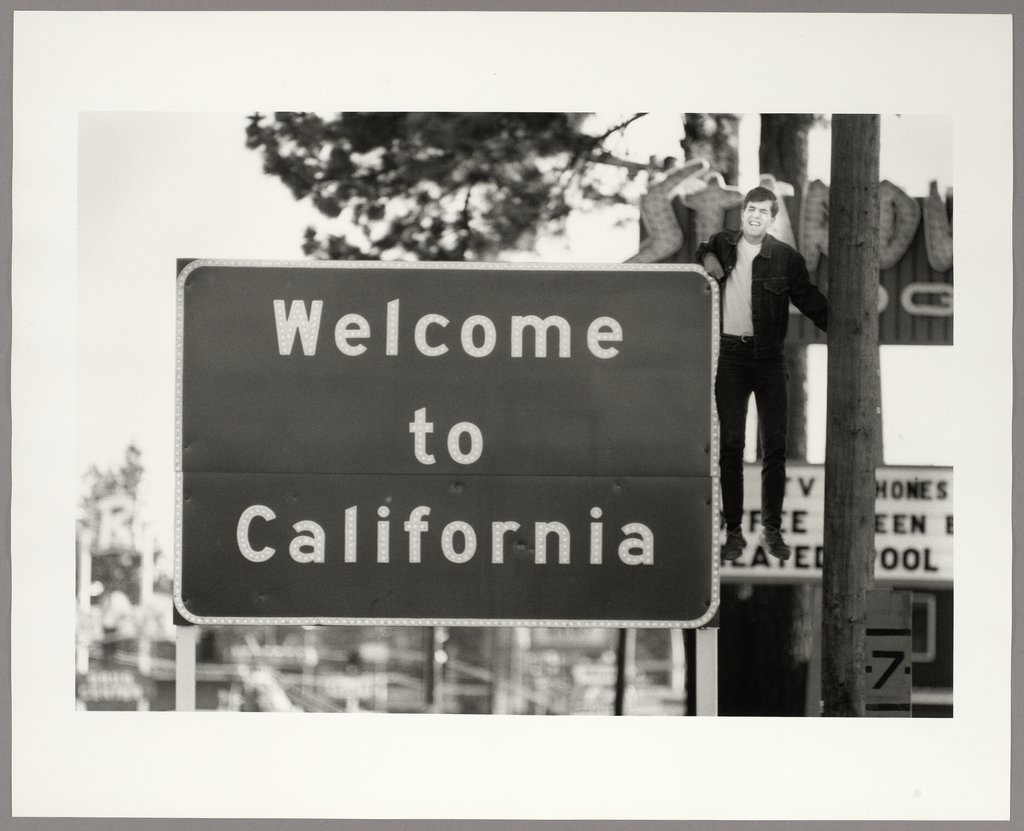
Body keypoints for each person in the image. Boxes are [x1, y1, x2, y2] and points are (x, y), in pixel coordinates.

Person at [695, 186, 828, 561]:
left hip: (769, 359)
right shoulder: (724, 243)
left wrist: (846, 324)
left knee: (775, 447)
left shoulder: (787, 258)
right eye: (749, 210)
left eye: (762, 212)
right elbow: (702, 248)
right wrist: (707, 258)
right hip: (732, 358)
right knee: (731, 446)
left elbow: (809, 298)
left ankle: (772, 529)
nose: (754, 216)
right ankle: (733, 531)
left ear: (772, 218)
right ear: (743, 214)